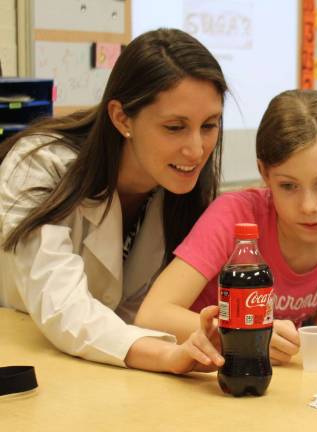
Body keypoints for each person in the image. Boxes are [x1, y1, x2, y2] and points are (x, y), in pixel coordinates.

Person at [0, 29, 228, 373]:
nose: (196, 150)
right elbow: (62, 307)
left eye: (209, 125)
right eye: (174, 127)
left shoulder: (184, 189)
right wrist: (166, 356)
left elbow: (145, 309)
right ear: (122, 118)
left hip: (106, 369)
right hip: (25, 358)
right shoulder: (40, 164)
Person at [136, 89, 317, 365]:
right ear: (264, 174)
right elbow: (153, 314)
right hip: (198, 374)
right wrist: (247, 333)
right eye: (288, 186)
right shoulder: (235, 215)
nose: (309, 206)